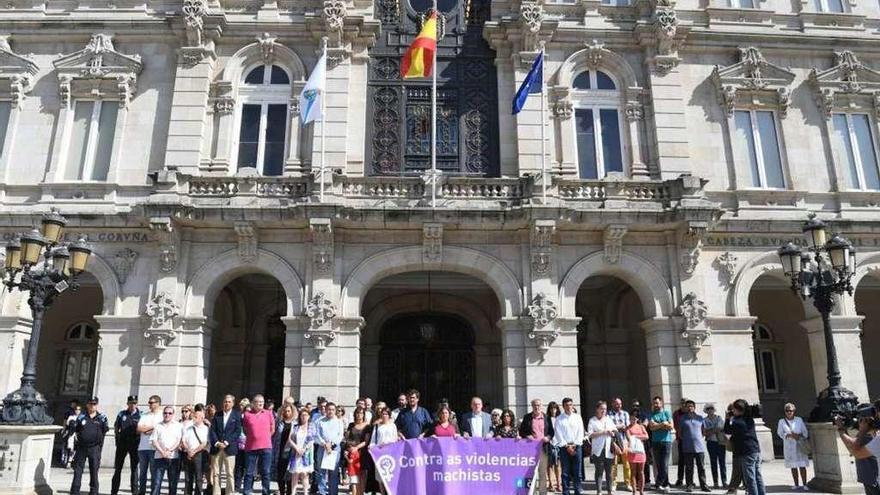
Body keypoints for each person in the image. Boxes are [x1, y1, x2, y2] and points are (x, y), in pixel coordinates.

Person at [70, 397, 109, 495]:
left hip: (94, 448)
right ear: (87, 405)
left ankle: (94, 491)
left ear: (97, 405)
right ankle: (75, 491)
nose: (92, 406)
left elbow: (104, 430)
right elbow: (76, 430)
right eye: (90, 404)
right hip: (82, 447)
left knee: (94, 471)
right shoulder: (81, 417)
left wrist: (99, 446)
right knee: (78, 470)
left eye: (94, 404)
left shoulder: (102, 418)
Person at [724, 399, 764, 495]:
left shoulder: (737, 422)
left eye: (733, 409)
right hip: (755, 450)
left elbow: (727, 431)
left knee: (750, 479)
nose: (732, 411)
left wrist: (727, 419)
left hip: (746, 452)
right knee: (758, 476)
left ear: (738, 409)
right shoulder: (749, 418)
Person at [520, 398, 555, 495]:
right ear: (532, 406)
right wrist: (528, 436)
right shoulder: (527, 417)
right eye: (535, 405)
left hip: (543, 448)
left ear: (542, 406)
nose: (537, 407)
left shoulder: (547, 417)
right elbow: (522, 431)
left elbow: (551, 432)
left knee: (542, 472)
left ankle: (543, 493)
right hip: (531, 450)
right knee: (531, 472)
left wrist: (548, 437)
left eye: (539, 405)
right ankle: (533, 492)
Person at [242, 394, 276, 495]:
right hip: (251, 447)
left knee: (266, 471)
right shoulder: (247, 415)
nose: (260, 404)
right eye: (258, 402)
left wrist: (265, 437)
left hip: (266, 446)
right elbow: (244, 429)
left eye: (262, 402)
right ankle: (247, 491)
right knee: (249, 472)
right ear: (253, 403)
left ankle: (266, 491)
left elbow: (272, 429)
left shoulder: (268, 413)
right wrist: (253, 436)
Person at [211, 394, 242, 495]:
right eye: (225, 401)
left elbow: (237, 432)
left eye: (229, 402)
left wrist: (226, 442)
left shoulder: (236, 415)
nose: (226, 403)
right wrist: (217, 442)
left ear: (233, 404)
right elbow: (212, 430)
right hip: (217, 448)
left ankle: (230, 493)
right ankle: (216, 493)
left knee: (230, 473)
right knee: (216, 473)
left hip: (230, 448)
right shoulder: (217, 414)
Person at [554, 397, 585, 495]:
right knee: (565, 472)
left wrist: (575, 444)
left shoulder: (577, 417)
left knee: (577, 472)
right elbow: (558, 434)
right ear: (563, 406)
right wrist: (567, 446)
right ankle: (566, 491)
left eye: (570, 405)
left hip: (577, 446)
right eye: (566, 405)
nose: (569, 407)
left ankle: (578, 490)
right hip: (564, 448)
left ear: (573, 406)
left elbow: (581, 432)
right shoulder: (559, 419)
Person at [151, 405, 185, 495]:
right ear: (163, 414)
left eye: (170, 413)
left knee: (173, 484)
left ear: (173, 414)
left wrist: (169, 450)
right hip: (159, 457)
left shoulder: (178, 426)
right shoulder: (158, 426)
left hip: (173, 457)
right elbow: (154, 440)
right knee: (156, 483)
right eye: (165, 413)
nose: (167, 415)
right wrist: (162, 451)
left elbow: (179, 440)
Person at [112, 395, 142, 495]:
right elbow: (116, 427)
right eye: (130, 403)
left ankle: (135, 492)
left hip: (135, 444)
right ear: (127, 403)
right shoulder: (122, 414)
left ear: (137, 404)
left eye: (134, 403)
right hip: (122, 444)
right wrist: (117, 439)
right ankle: (114, 491)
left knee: (134, 469)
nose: (132, 405)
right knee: (118, 469)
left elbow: (142, 429)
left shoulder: (141, 415)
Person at [777, 403, 810, 491]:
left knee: (802, 465)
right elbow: (779, 433)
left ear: (794, 411)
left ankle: (805, 484)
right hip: (789, 446)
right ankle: (796, 484)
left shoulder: (799, 420)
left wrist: (799, 436)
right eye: (787, 411)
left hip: (799, 445)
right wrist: (787, 435)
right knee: (793, 466)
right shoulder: (781, 421)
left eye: (790, 410)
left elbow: (805, 431)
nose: (789, 412)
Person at [679, 400, 710, 492]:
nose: (690, 408)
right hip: (687, 447)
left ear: (694, 407)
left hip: (699, 447)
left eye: (691, 406)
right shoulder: (682, 418)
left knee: (701, 467)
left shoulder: (700, 418)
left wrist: (699, 439)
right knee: (689, 468)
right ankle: (689, 485)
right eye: (688, 406)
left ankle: (703, 485)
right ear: (685, 407)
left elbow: (704, 432)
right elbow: (680, 433)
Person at [588, 401, 617, 495]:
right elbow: (590, 435)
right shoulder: (592, 420)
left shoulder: (609, 419)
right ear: (597, 409)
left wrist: (612, 433)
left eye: (605, 409)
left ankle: (609, 491)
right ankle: (599, 491)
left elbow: (615, 431)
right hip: (598, 450)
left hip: (609, 449)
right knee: (599, 471)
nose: (604, 410)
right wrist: (603, 432)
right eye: (602, 408)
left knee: (609, 472)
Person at [316, 402, 344, 495]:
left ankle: (333, 492)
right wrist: (325, 444)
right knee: (321, 472)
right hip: (322, 448)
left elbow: (340, 436)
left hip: (334, 449)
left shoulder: (339, 422)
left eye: (332, 409)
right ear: (326, 410)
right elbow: (317, 435)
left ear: (335, 411)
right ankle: (322, 492)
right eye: (329, 409)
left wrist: (331, 444)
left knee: (333, 472)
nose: (330, 411)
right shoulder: (320, 421)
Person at [137, 395, 163, 495]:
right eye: (149, 402)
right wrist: (152, 428)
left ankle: (154, 492)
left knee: (154, 473)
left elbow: (160, 429)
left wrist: (148, 428)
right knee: (142, 473)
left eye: (152, 402)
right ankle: (141, 492)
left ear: (158, 403)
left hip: (154, 448)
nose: (150, 404)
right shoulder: (144, 415)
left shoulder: (162, 415)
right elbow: (139, 429)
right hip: (142, 447)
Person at [648, 396, 674, 493]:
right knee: (659, 464)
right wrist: (663, 424)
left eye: (657, 403)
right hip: (655, 442)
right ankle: (665, 484)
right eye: (654, 403)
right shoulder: (652, 414)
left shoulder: (666, 413)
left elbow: (671, 426)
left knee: (664, 464)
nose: (656, 405)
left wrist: (657, 425)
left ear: (661, 403)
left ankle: (658, 483)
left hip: (666, 441)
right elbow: (651, 428)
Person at [183, 405, 209, 495]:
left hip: (199, 454)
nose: (193, 418)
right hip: (188, 454)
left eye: (196, 416)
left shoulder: (206, 429)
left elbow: (204, 443)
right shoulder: (189, 428)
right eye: (194, 416)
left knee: (198, 477)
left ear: (202, 418)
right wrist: (188, 450)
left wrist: (194, 451)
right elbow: (183, 440)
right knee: (188, 477)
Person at [289, 408, 316, 495]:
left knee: (305, 474)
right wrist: (296, 448)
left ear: (309, 416)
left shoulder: (311, 426)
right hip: (296, 452)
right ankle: (293, 492)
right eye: (302, 415)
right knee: (295, 474)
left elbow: (312, 440)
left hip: (307, 453)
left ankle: (305, 492)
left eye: (305, 415)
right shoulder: (295, 427)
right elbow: (290, 439)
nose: (304, 417)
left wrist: (304, 450)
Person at [344, 407, 371, 495]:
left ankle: (361, 493)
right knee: (353, 477)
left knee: (362, 476)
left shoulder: (367, 426)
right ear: (355, 414)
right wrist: (349, 448)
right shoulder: (351, 425)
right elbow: (347, 438)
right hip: (352, 453)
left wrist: (357, 448)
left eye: (361, 413)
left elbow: (366, 441)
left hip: (362, 453)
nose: (359, 415)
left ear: (364, 415)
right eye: (358, 413)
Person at [609, 398, 632, 491]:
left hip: (624, 441)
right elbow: (610, 428)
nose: (619, 406)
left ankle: (628, 483)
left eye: (620, 404)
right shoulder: (608, 414)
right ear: (613, 404)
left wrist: (629, 441)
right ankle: (614, 483)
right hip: (613, 442)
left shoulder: (625, 414)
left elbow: (627, 427)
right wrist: (619, 426)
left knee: (626, 464)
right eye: (617, 404)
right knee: (613, 464)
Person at [703, 403, 728, 489]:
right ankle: (716, 482)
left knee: (722, 463)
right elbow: (705, 433)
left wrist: (711, 431)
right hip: (711, 443)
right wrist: (714, 430)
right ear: (706, 410)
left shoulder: (719, 418)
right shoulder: (704, 420)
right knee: (713, 463)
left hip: (720, 442)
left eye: (712, 408)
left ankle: (724, 481)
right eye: (708, 408)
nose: (710, 410)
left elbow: (721, 428)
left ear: (714, 409)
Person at [274, 404, 296, 495]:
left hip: (291, 450)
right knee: (281, 472)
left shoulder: (295, 423)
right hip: (280, 449)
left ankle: (289, 492)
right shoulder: (279, 422)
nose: (287, 413)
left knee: (290, 473)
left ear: (292, 412)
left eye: (288, 411)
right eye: (285, 411)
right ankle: (282, 491)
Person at [626, 411, 650, 495]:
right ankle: (634, 490)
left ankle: (641, 490)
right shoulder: (628, 428)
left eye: (634, 418)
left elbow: (646, 436)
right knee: (633, 472)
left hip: (640, 452)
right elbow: (628, 438)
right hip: (632, 451)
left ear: (637, 419)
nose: (632, 420)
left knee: (641, 472)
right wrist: (639, 437)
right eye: (631, 418)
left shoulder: (641, 426)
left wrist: (636, 436)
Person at [546, 401, 563, 493]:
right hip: (549, 443)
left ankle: (559, 483)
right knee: (549, 465)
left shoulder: (560, 418)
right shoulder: (546, 418)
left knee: (558, 464)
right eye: (552, 408)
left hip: (558, 443)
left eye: (555, 408)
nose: (553, 410)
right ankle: (551, 484)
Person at [673, 398, 688, 488]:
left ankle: (690, 480)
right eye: (682, 403)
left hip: (689, 440)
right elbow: (676, 425)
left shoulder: (690, 413)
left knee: (689, 461)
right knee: (681, 461)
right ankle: (680, 479)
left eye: (685, 403)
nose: (684, 405)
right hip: (681, 439)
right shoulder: (676, 413)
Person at [63, 403, 82, 468]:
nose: (77, 411)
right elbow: (67, 426)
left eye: (79, 410)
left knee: (75, 449)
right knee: (70, 448)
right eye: (76, 409)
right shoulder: (71, 417)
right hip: (71, 434)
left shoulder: (82, 417)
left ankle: (71, 461)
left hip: (78, 435)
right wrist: (65, 431)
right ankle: (67, 461)